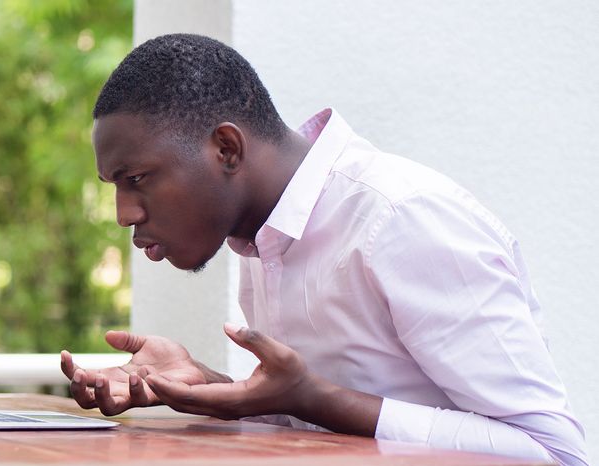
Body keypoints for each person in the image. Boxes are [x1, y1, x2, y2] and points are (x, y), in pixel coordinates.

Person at [59, 33, 587, 465]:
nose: (124, 213)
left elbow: (553, 452)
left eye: (137, 179)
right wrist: (210, 387)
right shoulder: (263, 239)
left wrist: (311, 397)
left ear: (226, 148)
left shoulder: (401, 219)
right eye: (115, 186)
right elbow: (317, 425)